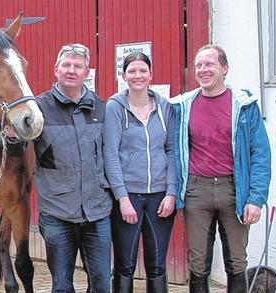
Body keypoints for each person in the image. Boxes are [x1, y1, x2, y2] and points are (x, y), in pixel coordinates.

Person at [170, 44, 271, 292]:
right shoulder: (183, 106)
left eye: (210, 64)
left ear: (224, 68)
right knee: (198, 262)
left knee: (237, 261)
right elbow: (173, 152)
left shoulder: (244, 106)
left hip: (233, 189)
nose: (203, 69)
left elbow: (260, 154)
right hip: (197, 190)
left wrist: (256, 199)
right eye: (199, 65)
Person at [34, 43, 112, 293]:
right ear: (55, 69)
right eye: (66, 65)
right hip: (57, 213)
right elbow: (14, 144)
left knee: (101, 284)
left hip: (97, 212)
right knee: (62, 286)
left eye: (78, 66)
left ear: (86, 72)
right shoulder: (38, 108)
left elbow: (111, 156)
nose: (71, 70)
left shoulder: (101, 108)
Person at [103, 52, 176, 293]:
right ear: (124, 76)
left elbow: (172, 150)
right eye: (132, 71)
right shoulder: (115, 107)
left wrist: (171, 193)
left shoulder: (165, 107)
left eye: (143, 71)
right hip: (129, 197)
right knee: (125, 264)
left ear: (150, 75)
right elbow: (111, 155)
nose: (138, 76)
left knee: (157, 265)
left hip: (160, 197)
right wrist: (122, 199)